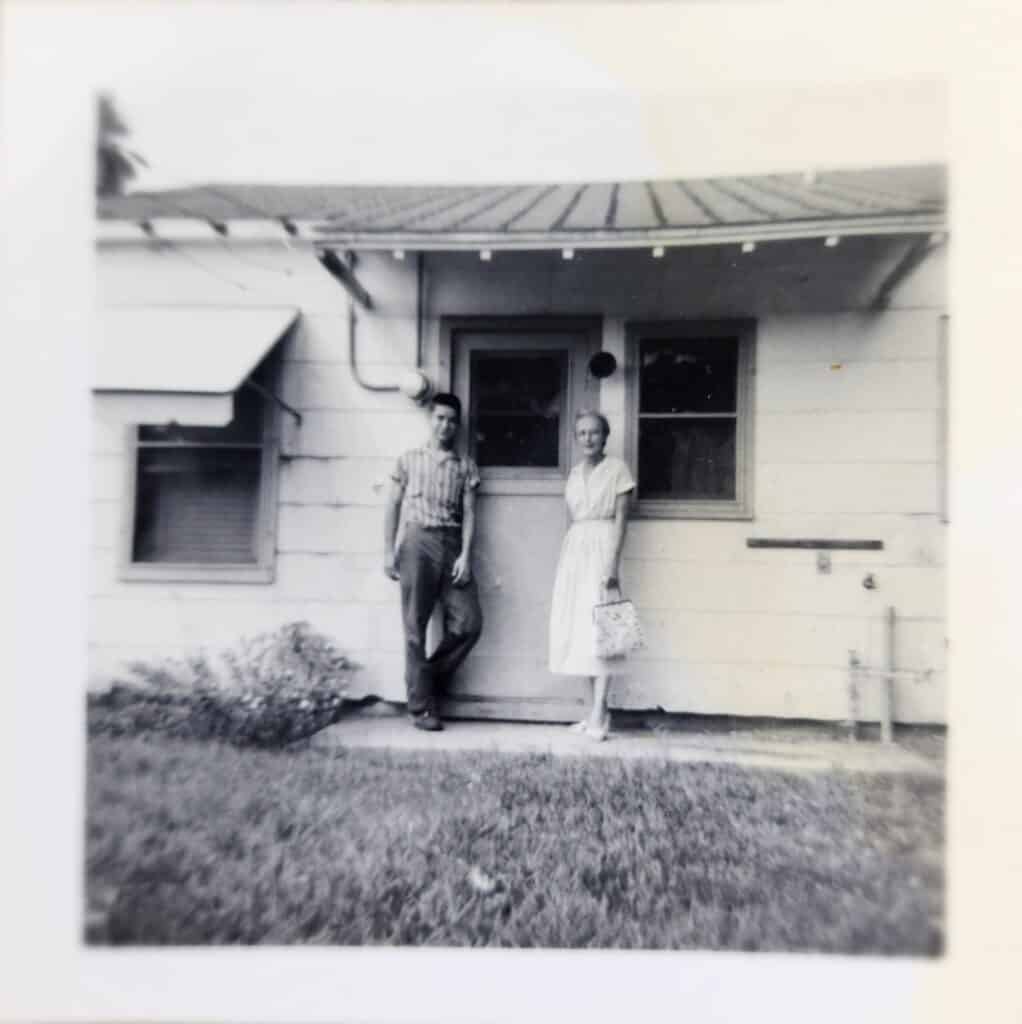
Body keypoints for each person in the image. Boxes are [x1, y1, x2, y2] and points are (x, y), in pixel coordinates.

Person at [383, 393, 483, 732]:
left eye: (452, 420)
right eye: (440, 418)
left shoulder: (465, 465)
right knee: (414, 627)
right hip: (417, 541)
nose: (445, 425)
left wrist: (466, 555)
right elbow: (392, 506)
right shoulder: (408, 460)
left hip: (452, 542)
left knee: (468, 623)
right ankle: (421, 708)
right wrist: (387, 550)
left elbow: (469, 513)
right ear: (431, 419)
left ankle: (424, 682)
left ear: (458, 425)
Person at [548, 410, 636, 740]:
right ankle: (594, 711)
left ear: (605, 436)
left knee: (604, 629)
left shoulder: (617, 470)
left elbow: (622, 520)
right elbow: (569, 521)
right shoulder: (573, 474)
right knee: (580, 631)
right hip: (575, 553)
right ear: (576, 438)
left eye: (595, 432)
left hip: (603, 548)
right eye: (582, 433)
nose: (588, 438)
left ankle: (600, 713)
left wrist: (612, 564)